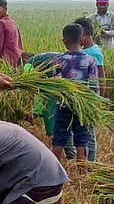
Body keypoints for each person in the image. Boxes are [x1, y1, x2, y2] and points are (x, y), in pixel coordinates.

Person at [51, 24, 99, 162]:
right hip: (82, 106)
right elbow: (94, 87)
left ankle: (54, 171)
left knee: (59, 138)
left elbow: (54, 85)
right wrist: (93, 105)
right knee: (82, 139)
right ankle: (82, 175)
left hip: (63, 105)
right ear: (82, 40)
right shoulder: (90, 61)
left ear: (64, 41)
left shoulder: (58, 61)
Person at [63, 17, 106, 161]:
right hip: (77, 99)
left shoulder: (93, 54)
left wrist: (97, 99)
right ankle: (76, 157)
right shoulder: (87, 53)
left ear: (83, 36)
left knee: (87, 132)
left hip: (86, 100)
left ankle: (91, 160)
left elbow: (99, 79)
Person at [21, 51, 61, 140]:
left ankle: (52, 134)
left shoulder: (28, 65)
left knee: (49, 102)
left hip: (54, 66)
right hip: (62, 63)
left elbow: (33, 90)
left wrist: (34, 111)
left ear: (23, 61)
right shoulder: (41, 59)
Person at [0, 0, 24, 67]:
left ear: (5, 9)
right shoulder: (12, 22)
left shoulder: (1, 23)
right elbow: (20, 43)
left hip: (6, 60)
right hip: (18, 59)